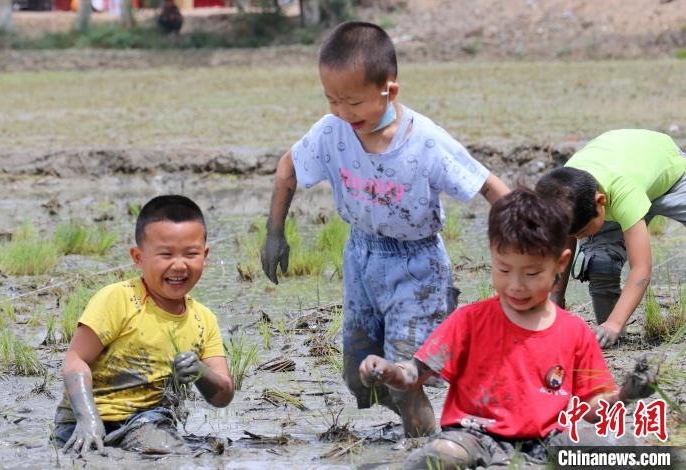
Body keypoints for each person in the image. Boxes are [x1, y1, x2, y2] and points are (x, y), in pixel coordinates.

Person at [260, 21, 509, 438]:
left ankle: (431, 452)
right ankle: (419, 429)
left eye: (352, 102)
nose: (342, 113)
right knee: (360, 375)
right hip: (360, 257)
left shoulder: (425, 141)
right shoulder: (332, 131)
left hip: (417, 265)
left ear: (389, 91)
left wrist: (532, 236)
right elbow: (287, 168)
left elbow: (487, 184)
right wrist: (274, 233)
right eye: (332, 100)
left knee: (404, 376)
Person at [359, 188, 659, 468]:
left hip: (550, 438)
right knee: (440, 456)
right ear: (492, 257)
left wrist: (624, 395)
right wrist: (388, 371)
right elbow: (414, 374)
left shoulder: (575, 331)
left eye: (531, 273)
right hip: (474, 434)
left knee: (621, 449)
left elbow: (592, 408)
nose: (515, 286)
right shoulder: (469, 321)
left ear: (561, 263)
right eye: (503, 269)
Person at [52, 195, 234, 455]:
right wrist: (87, 418)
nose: (179, 264)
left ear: (204, 256)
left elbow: (223, 395)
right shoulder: (118, 299)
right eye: (165, 254)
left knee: (175, 454)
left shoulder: (203, 319)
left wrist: (200, 372)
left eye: (191, 254)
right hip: (82, 422)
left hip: (148, 420)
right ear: (138, 257)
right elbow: (75, 359)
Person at [535, 129, 686, 348]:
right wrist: (555, 296)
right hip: (621, 170)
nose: (578, 239)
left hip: (670, 174)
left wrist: (614, 323)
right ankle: (612, 339)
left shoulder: (622, 192)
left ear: (600, 201)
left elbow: (641, 269)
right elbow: (563, 247)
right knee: (599, 263)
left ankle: (614, 325)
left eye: (583, 232)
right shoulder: (564, 192)